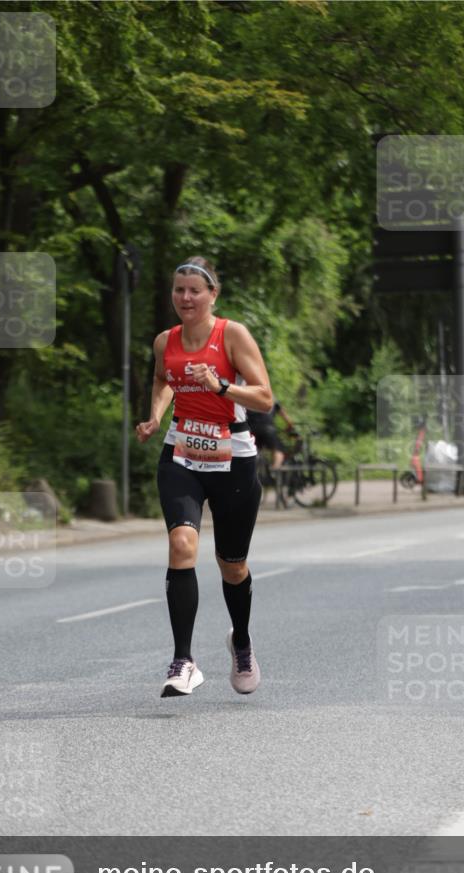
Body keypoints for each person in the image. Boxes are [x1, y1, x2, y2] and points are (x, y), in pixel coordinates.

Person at [135, 256, 274, 697]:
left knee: (232, 566)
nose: (186, 298)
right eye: (179, 290)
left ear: (213, 295)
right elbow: (163, 380)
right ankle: (184, 660)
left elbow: (265, 398)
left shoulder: (231, 335)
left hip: (233, 457)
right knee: (181, 544)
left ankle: (242, 641)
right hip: (181, 454)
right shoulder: (165, 341)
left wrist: (219, 386)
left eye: (195, 290)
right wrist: (156, 416)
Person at [247, 399, 296, 470]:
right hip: (268, 429)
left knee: (252, 451)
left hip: (251, 429)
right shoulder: (272, 398)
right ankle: (275, 471)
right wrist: (290, 426)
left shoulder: (249, 397)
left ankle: (252, 470)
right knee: (278, 450)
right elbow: (284, 416)